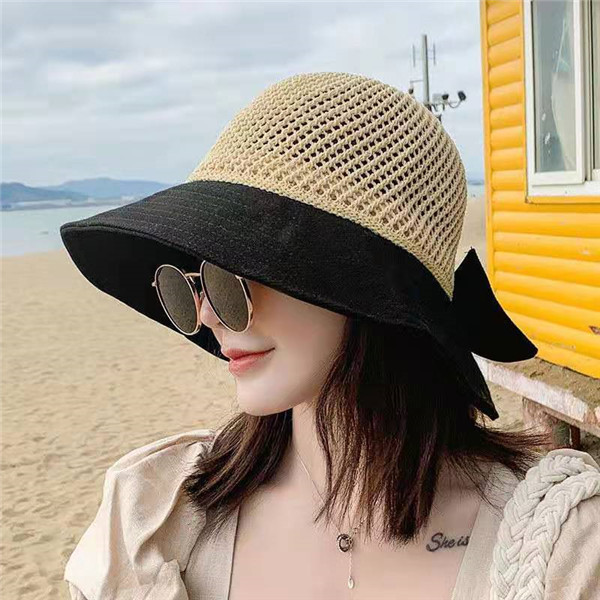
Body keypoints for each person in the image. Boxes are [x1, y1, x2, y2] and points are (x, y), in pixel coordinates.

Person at [60, 72, 600, 600]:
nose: (206, 315)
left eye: (229, 275)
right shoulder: (155, 517)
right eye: (190, 284)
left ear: (356, 290)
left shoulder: (555, 545)